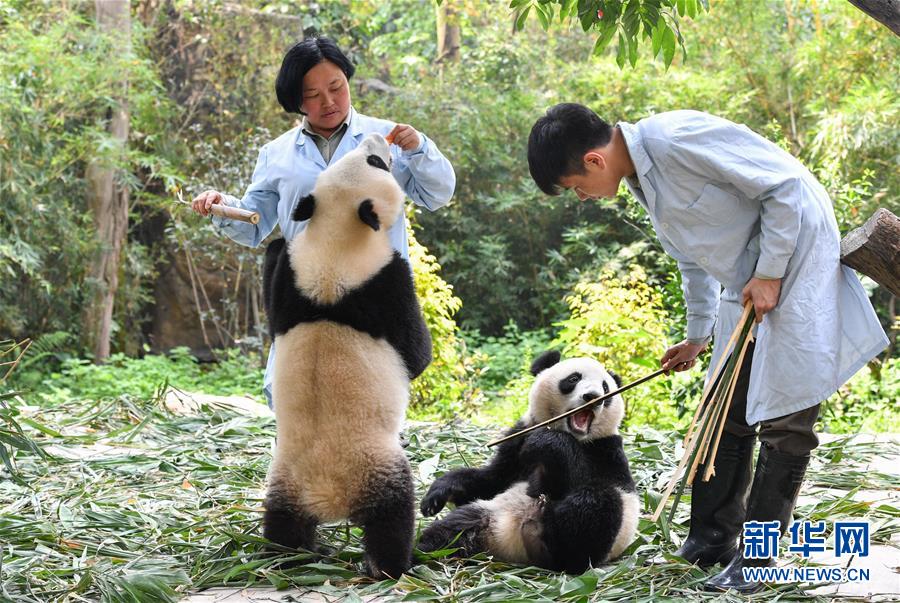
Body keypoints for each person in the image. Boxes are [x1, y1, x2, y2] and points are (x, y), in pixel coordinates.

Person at [527, 103, 888, 593]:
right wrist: (697, 335)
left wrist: (771, 272)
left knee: (786, 423)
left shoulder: (676, 139)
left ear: (593, 161)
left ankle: (756, 563)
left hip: (795, 260)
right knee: (726, 406)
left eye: (575, 188)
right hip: (747, 281)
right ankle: (711, 540)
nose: (583, 197)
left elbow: (785, 188)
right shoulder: (641, 180)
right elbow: (692, 260)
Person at [191, 36, 456, 407]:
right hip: (309, 294)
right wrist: (222, 206)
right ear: (296, 100)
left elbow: (439, 194)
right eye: (313, 94)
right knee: (301, 400)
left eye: (336, 87)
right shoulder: (277, 155)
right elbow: (255, 224)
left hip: (371, 294)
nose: (329, 101)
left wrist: (420, 148)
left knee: (370, 402)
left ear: (348, 82)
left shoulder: (387, 140)